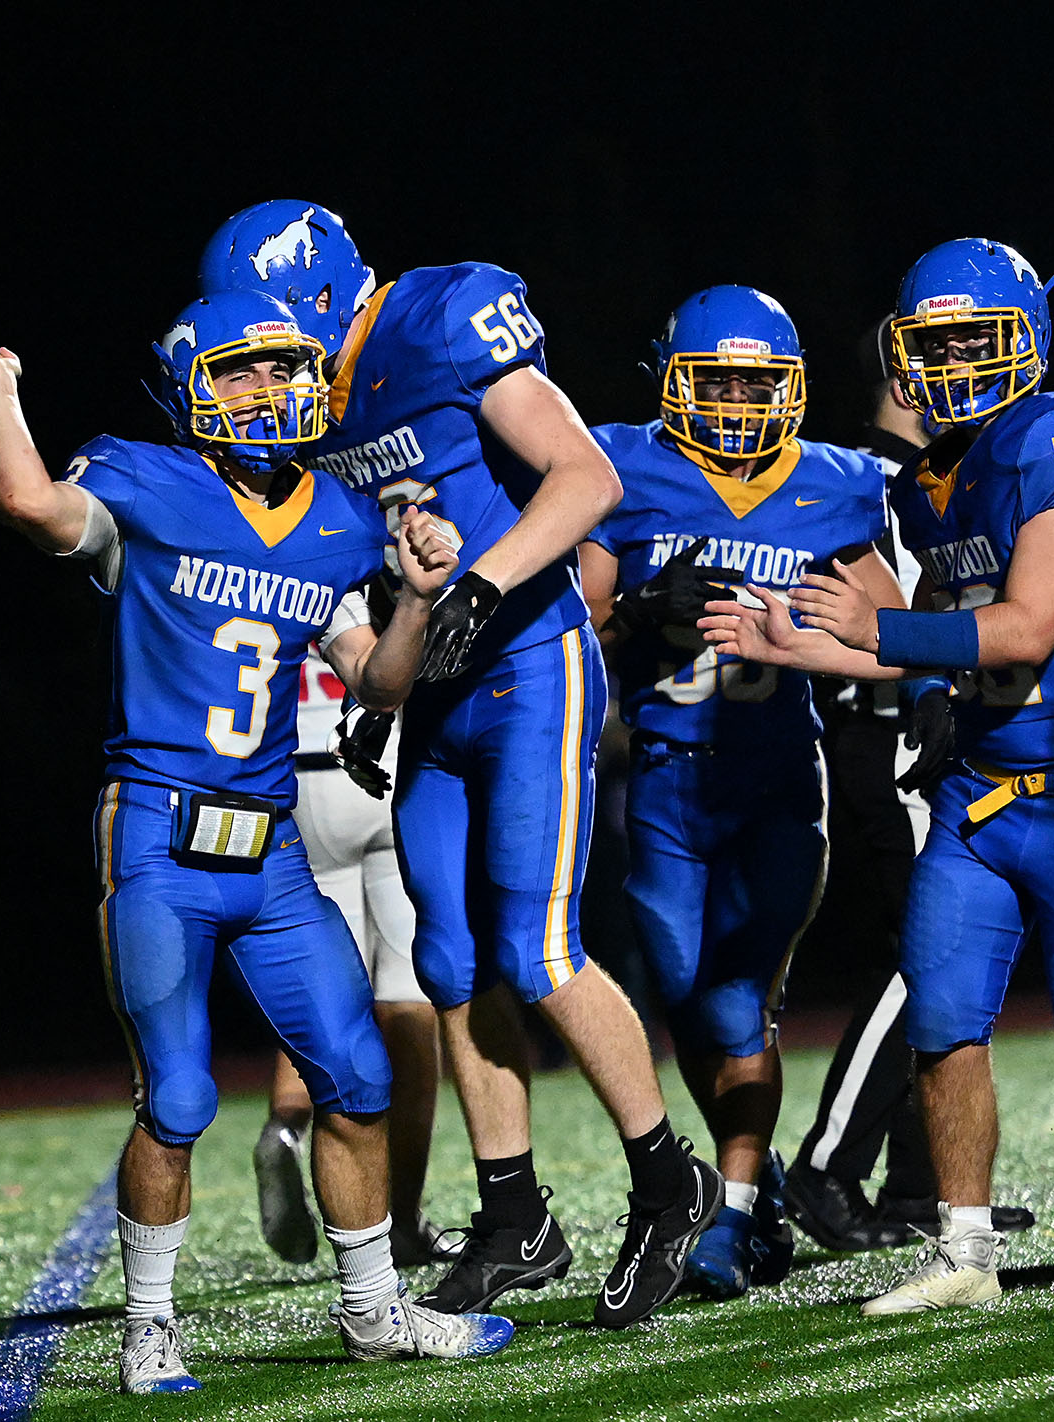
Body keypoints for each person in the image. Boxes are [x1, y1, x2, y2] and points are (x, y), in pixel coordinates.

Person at [705, 237, 1054, 1315]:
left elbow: (1019, 632)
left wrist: (875, 624)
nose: (960, 362)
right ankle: (963, 1251)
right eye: (939, 344)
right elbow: (925, 637)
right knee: (941, 1018)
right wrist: (800, 644)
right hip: (976, 793)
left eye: (979, 338)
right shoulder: (927, 486)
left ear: (1026, 338)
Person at [0, 290, 512, 1394]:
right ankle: (149, 1327)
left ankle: (371, 1312)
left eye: (282, 368)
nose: (266, 392)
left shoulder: (342, 518)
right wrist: (1, 388)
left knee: (356, 1076)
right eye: (237, 373)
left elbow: (377, 683)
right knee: (177, 1097)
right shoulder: (147, 479)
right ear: (186, 386)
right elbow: (25, 503)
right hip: (157, 836)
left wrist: (411, 600)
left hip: (270, 855)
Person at [200, 201, 720, 1330]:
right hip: (437, 692)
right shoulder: (315, 409)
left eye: (277, 345)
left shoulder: (438, 319)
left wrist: (480, 584)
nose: (265, 381)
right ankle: (513, 1212)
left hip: (531, 661)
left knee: (536, 948)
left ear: (326, 301)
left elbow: (584, 479)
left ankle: (666, 1177)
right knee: (444, 957)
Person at [578, 285, 900, 1295]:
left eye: (751, 381)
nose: (730, 399)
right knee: (681, 990)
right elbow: (570, 635)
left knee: (732, 998)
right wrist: (635, 604)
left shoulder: (839, 487)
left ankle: (734, 1208)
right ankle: (742, 1205)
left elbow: (897, 644)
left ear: (788, 388)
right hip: (665, 784)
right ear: (671, 380)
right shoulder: (625, 466)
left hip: (775, 779)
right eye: (710, 378)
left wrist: (810, 641)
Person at [785, 321, 1034, 1251]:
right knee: (931, 953)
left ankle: (918, 1183)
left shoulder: (929, 470)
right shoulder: (870, 478)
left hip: (915, 724)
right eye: (945, 360)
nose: (963, 377)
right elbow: (886, 618)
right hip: (894, 732)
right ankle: (827, 1167)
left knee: (941, 948)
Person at [251, 647, 461, 1269]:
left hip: (294, 773)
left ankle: (285, 1127)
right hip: (380, 762)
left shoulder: (287, 557)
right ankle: (400, 1218)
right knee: (408, 1000)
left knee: (325, 993)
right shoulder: (392, 551)